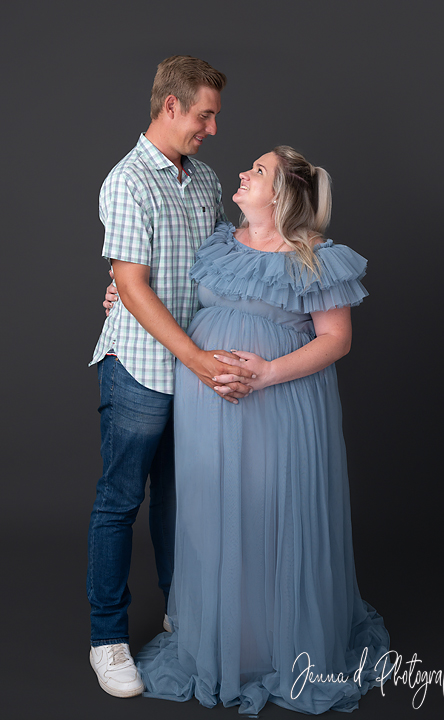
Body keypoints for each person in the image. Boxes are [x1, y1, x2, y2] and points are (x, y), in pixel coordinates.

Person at [125, 145, 391, 714]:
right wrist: (117, 297)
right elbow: (170, 291)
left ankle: (278, 646)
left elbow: (336, 339)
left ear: (282, 193)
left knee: (271, 515)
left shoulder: (315, 255)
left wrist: (266, 371)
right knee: (215, 515)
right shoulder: (220, 242)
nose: (243, 174)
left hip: (280, 409)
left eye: (258, 170)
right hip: (207, 410)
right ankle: (229, 644)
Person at [87, 55, 253, 699]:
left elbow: (221, 263)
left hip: (196, 370)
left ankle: (183, 617)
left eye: (214, 116)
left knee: (181, 501)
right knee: (119, 501)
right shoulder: (126, 181)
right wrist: (193, 356)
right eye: (205, 114)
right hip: (141, 370)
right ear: (171, 107)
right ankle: (107, 639)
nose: (211, 128)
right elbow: (131, 284)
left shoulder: (207, 178)